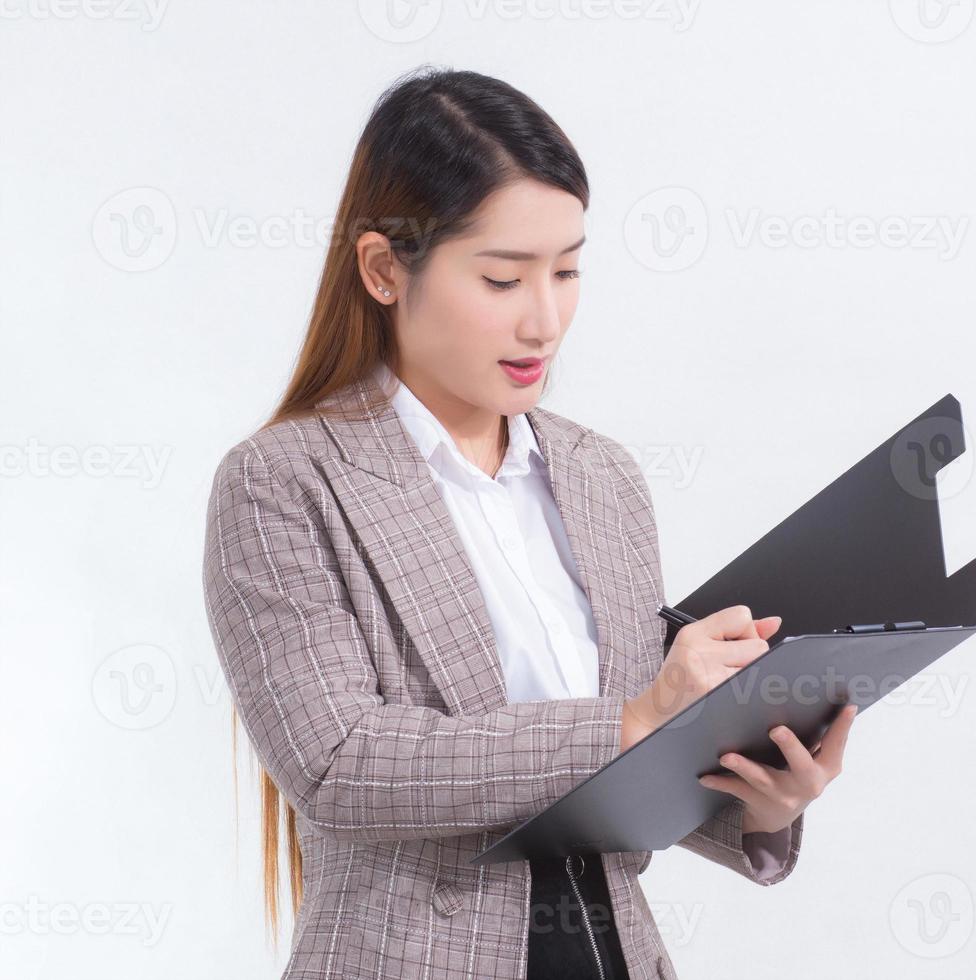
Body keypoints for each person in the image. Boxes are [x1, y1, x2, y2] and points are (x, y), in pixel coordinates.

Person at [201, 66, 857, 980]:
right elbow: (339, 764)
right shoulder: (284, 483)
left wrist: (764, 798)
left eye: (569, 269)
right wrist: (629, 722)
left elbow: (630, 771)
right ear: (385, 269)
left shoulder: (601, 477)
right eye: (504, 278)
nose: (545, 320)